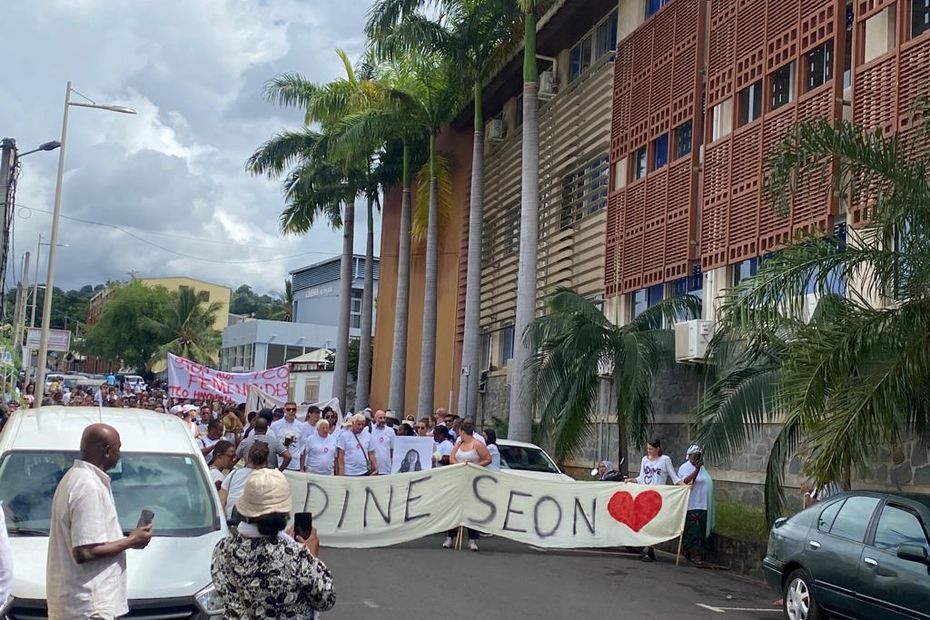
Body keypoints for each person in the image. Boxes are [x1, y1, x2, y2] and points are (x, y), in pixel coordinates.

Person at [47, 424, 153, 619]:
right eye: (118, 448)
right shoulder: (87, 485)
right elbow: (84, 551)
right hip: (89, 607)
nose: (120, 454)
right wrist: (130, 541)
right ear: (107, 451)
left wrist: (127, 540)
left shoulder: (77, 478)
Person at [211, 469, 336, 618]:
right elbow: (325, 600)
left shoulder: (223, 549)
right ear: (284, 512)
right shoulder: (296, 556)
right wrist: (312, 557)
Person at [634, 438, 682, 562]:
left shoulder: (665, 460)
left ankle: (651, 550)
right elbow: (641, 477)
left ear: (658, 449)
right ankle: (647, 548)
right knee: (644, 523)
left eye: (651, 448)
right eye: (648, 448)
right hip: (644, 494)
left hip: (657, 496)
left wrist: (683, 485)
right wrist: (631, 480)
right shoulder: (645, 460)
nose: (649, 451)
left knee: (653, 523)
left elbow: (674, 477)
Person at [447, 419, 491, 551]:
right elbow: (452, 457)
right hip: (459, 477)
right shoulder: (459, 443)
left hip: (472, 479)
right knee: (454, 507)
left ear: (462, 431)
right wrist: (460, 465)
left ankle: (472, 540)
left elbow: (487, 458)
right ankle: (450, 537)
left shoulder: (477, 444)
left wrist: (474, 466)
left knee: (471, 508)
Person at [677, 444, 715, 565]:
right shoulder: (685, 467)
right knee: (693, 530)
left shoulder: (703, 469)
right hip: (692, 504)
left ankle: (696, 552)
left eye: (699, 457)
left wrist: (699, 468)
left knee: (701, 530)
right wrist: (696, 469)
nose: (696, 459)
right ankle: (692, 552)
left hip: (703, 504)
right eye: (694, 457)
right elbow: (685, 482)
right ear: (689, 456)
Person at [220, 442, 268, 522]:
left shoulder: (234, 474)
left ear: (248, 457)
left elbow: (222, 501)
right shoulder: (267, 478)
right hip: (252, 523)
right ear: (266, 461)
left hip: (230, 521)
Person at [271, 402, 308, 473]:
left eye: (293, 409)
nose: (291, 411)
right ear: (284, 410)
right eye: (288, 409)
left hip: (295, 465)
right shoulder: (275, 425)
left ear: (296, 411)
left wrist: (302, 468)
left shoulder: (301, 426)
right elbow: (273, 446)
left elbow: (302, 449)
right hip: (280, 464)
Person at [369, 409, 395, 475]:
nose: (383, 420)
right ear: (375, 419)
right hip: (372, 468)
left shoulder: (390, 431)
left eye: (384, 418)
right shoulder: (368, 430)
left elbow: (392, 449)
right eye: (380, 418)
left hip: (386, 469)